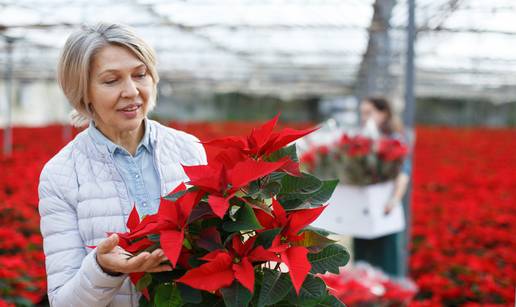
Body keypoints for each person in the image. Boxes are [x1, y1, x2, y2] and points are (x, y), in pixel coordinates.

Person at [38, 23, 206, 307]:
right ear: (83, 91)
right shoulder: (61, 175)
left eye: (140, 75)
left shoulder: (189, 149)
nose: (131, 91)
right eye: (111, 80)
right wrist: (105, 269)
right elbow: (63, 301)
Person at [353, 97, 412, 277]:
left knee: (386, 260)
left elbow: (403, 173)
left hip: (385, 207)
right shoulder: (361, 139)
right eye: (362, 113)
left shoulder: (395, 140)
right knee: (363, 263)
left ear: (384, 114)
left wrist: (394, 200)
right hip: (362, 209)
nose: (364, 117)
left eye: (369, 113)